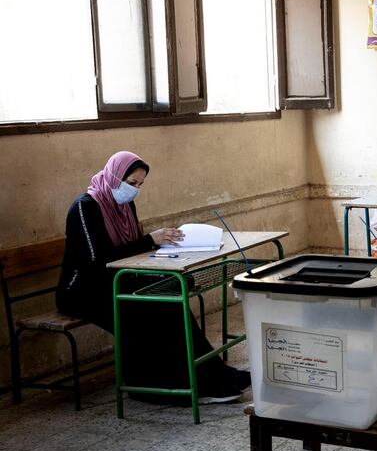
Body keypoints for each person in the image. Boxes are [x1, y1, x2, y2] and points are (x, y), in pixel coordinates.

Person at [56, 151, 249, 404]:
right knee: (148, 309)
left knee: (171, 297)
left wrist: (161, 247)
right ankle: (159, 386)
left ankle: (211, 374)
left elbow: (130, 249)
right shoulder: (85, 207)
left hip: (116, 279)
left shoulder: (124, 206)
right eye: (132, 183)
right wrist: (150, 241)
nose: (135, 190)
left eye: (140, 185)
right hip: (82, 291)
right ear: (114, 176)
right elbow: (98, 260)